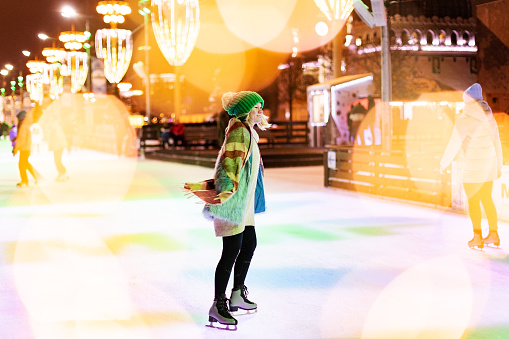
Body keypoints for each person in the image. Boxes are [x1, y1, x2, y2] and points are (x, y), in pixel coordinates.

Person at [184, 91, 269, 330]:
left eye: (261, 107)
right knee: (231, 251)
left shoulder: (250, 132)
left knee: (249, 244)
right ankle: (217, 305)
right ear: (246, 111)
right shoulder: (239, 130)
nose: (260, 111)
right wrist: (223, 194)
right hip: (232, 202)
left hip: (245, 203)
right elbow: (228, 164)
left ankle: (237, 295)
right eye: (256, 108)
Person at [440, 83, 503, 249]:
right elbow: (497, 142)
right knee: (487, 200)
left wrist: (443, 164)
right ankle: (494, 234)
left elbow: (453, 144)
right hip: (488, 168)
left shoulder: (463, 120)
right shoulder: (490, 117)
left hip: (472, 170)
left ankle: (477, 237)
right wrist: (498, 166)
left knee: (474, 202)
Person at [13, 110, 43, 187]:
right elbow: (21, 137)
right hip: (26, 148)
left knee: (22, 164)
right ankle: (37, 177)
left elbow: (21, 139)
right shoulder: (26, 125)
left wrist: (16, 148)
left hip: (24, 148)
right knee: (25, 164)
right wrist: (15, 139)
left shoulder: (23, 126)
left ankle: (25, 181)